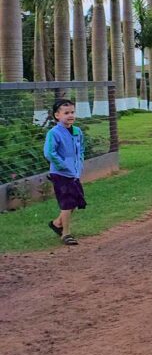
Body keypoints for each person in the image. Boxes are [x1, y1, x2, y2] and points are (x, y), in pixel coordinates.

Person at [43, 99, 87, 246]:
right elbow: (50, 153)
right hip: (60, 174)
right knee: (67, 203)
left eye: (72, 112)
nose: (70, 116)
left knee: (75, 201)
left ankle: (57, 223)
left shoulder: (77, 131)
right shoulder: (54, 133)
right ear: (57, 115)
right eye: (66, 113)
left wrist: (79, 163)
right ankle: (66, 234)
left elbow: (80, 149)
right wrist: (62, 166)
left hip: (74, 173)